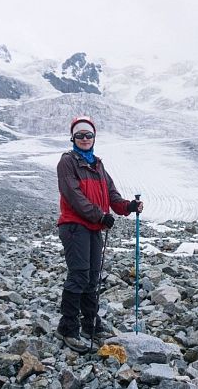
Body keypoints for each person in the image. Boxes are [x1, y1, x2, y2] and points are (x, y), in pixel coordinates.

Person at [54, 115, 144, 354]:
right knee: (80, 275)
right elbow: (73, 196)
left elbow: (111, 196)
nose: (84, 138)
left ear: (94, 138)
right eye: (80, 135)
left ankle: (90, 323)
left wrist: (128, 207)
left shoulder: (97, 164)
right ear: (72, 138)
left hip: (93, 227)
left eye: (88, 135)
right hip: (74, 226)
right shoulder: (68, 162)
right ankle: (67, 328)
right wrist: (99, 215)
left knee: (92, 277)